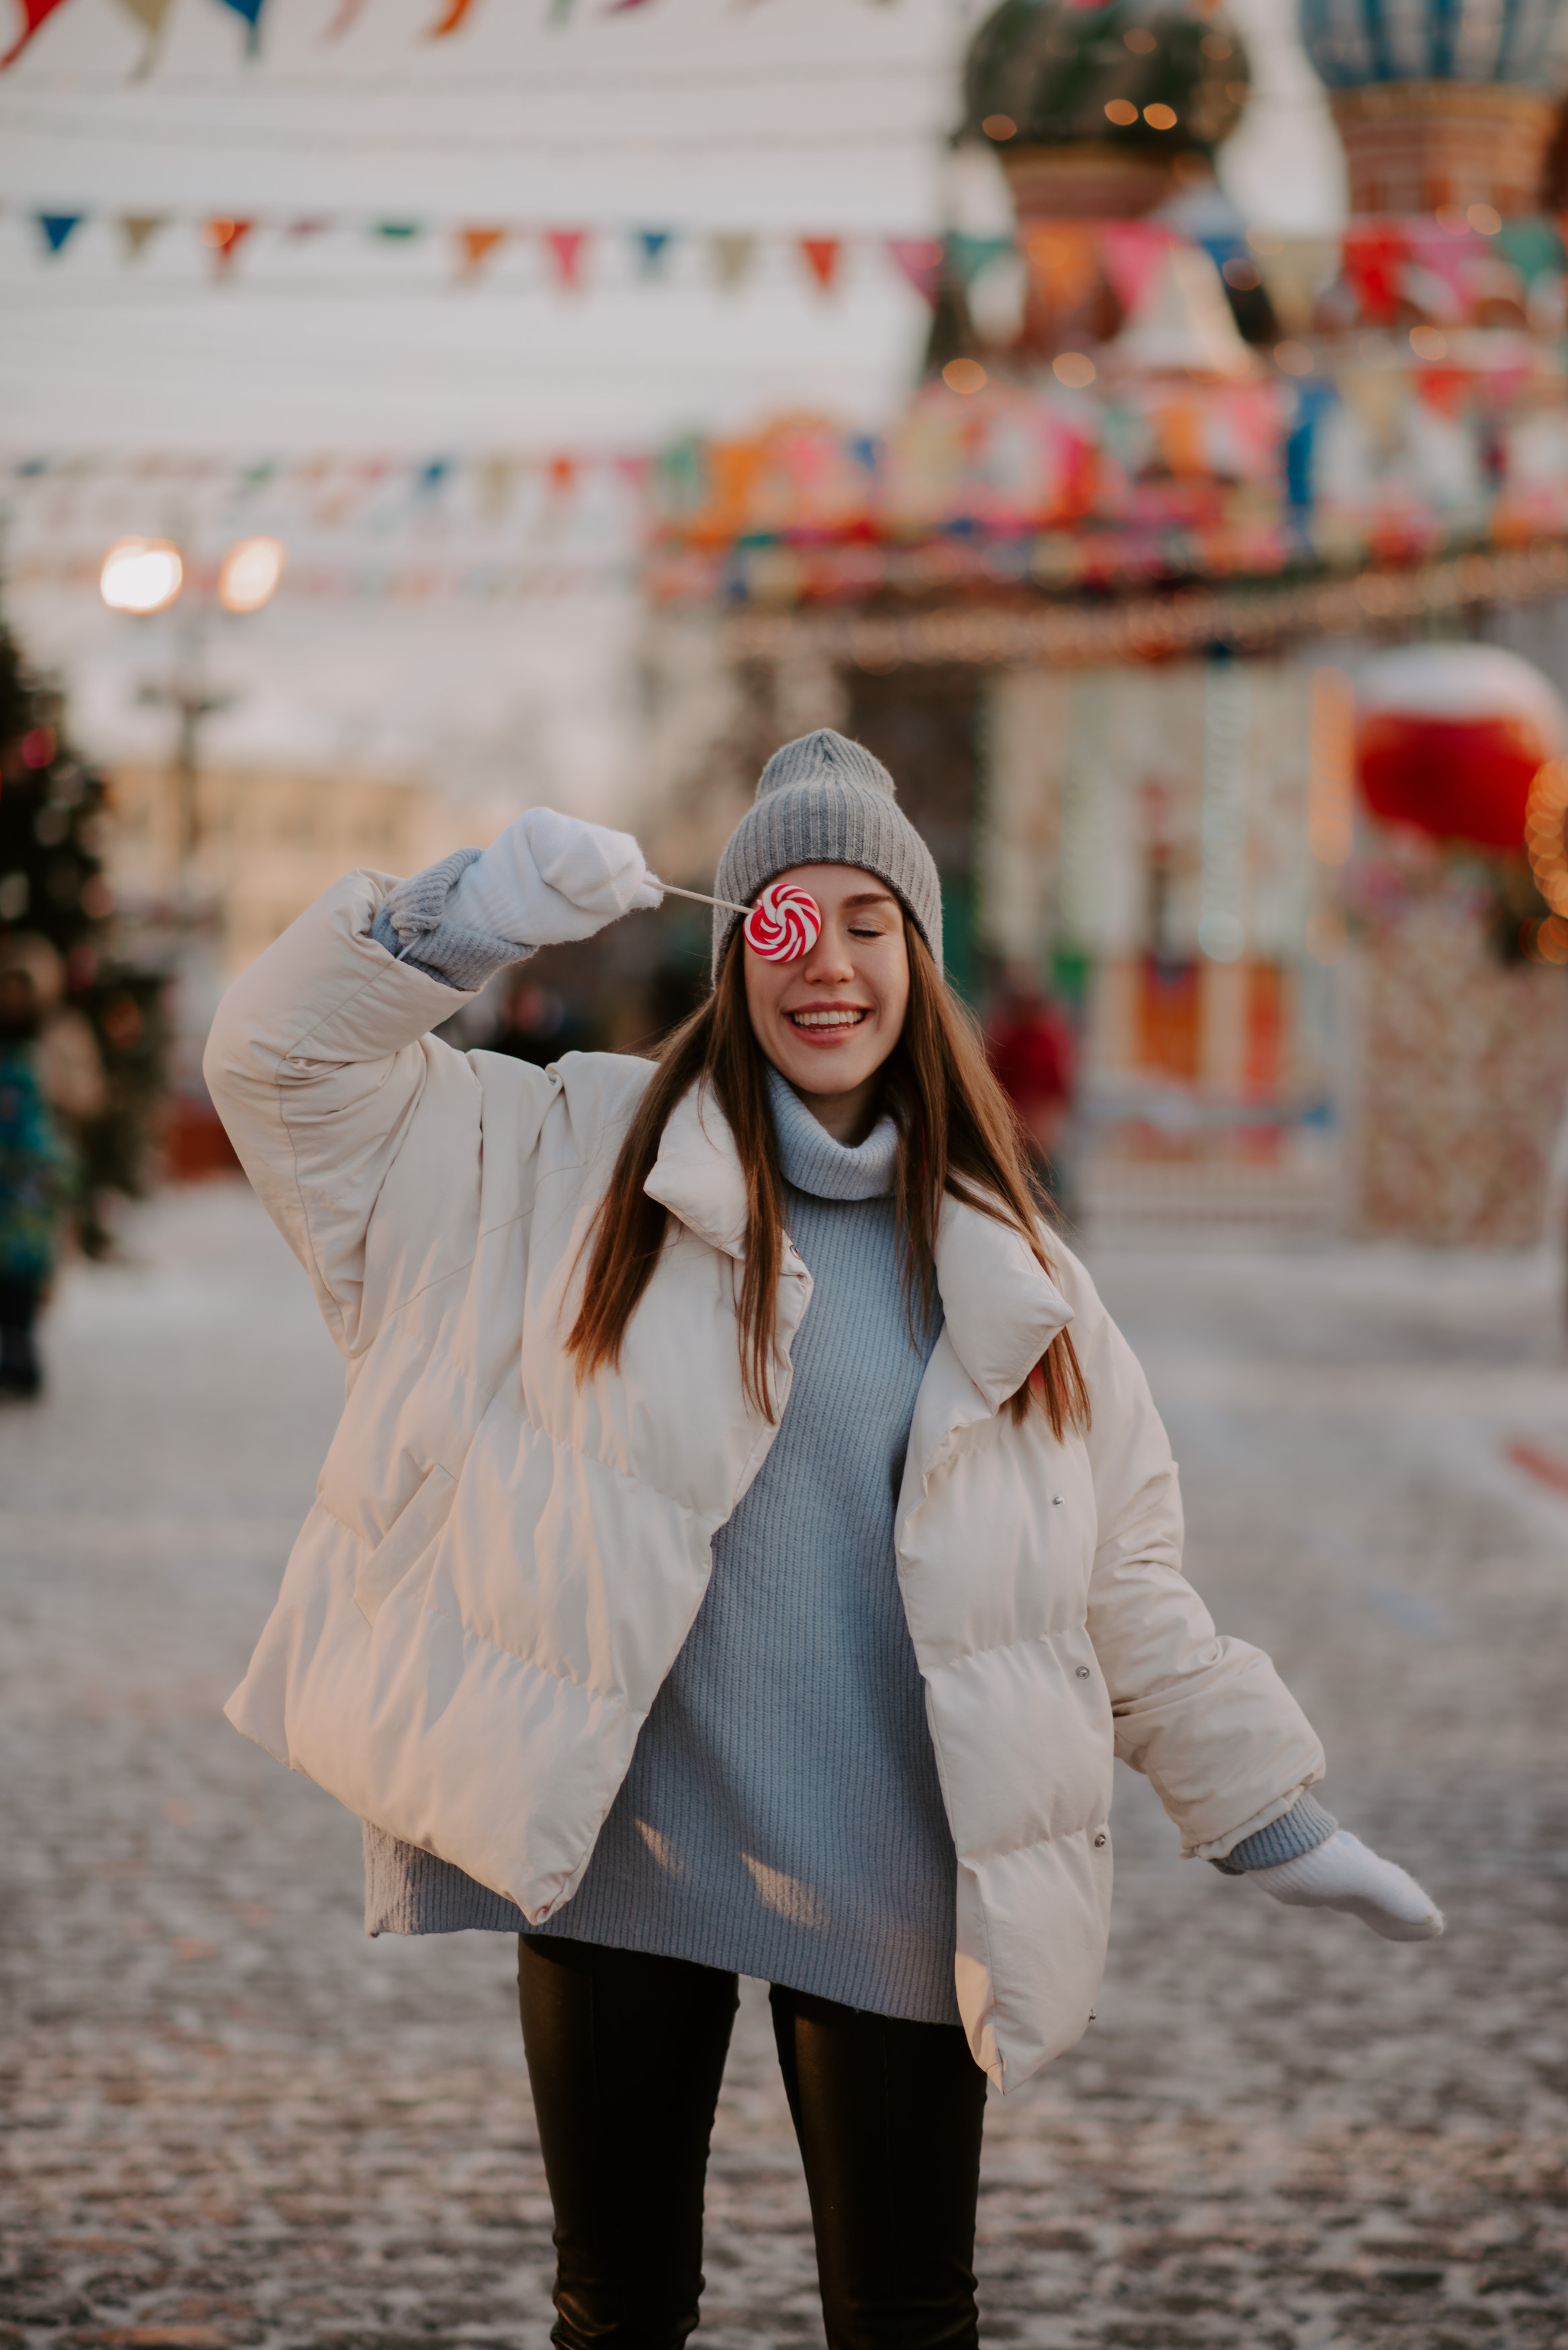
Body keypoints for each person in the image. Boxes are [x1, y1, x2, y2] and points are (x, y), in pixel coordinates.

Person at [205, 731, 1442, 2350]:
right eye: (791, 917)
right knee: (615, 2311)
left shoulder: (1015, 1269)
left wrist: (1265, 1810)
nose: (830, 963)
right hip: (625, 1853)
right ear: (737, 950)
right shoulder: (572, 1150)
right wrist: (461, 919)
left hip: (901, 1864)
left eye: (871, 921)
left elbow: (1116, 1573)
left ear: (917, 961)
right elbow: (280, 1070)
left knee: (906, 2317)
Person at [0, 944, 78, 1399]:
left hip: (34, 1176)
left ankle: (22, 1348)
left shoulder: (56, 1042)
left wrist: (56, 1155)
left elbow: (81, 1097)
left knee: (28, 1267)